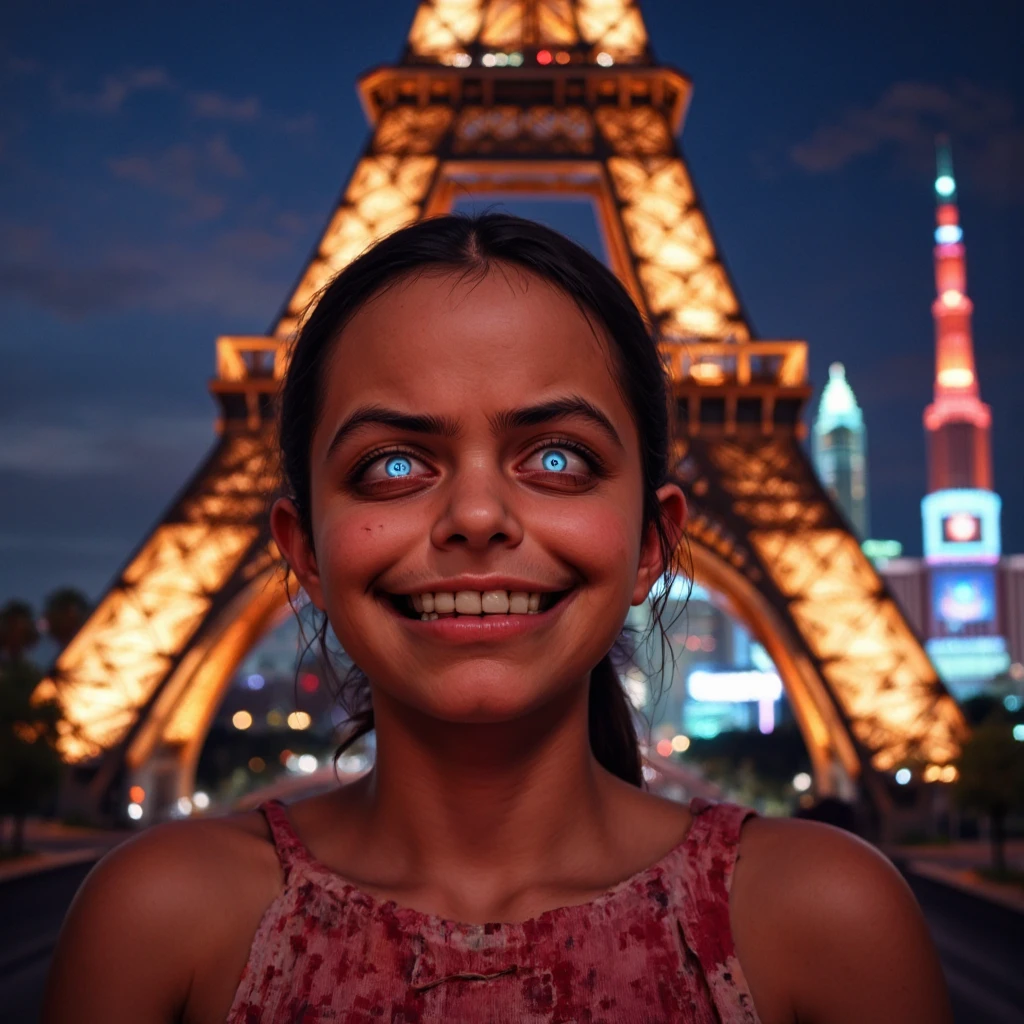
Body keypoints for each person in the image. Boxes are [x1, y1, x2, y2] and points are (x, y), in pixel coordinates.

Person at [42, 214, 952, 1023]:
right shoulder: (150, 915)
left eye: (557, 457)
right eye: (394, 466)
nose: (477, 517)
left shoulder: (834, 914)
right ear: (304, 551)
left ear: (651, 541)